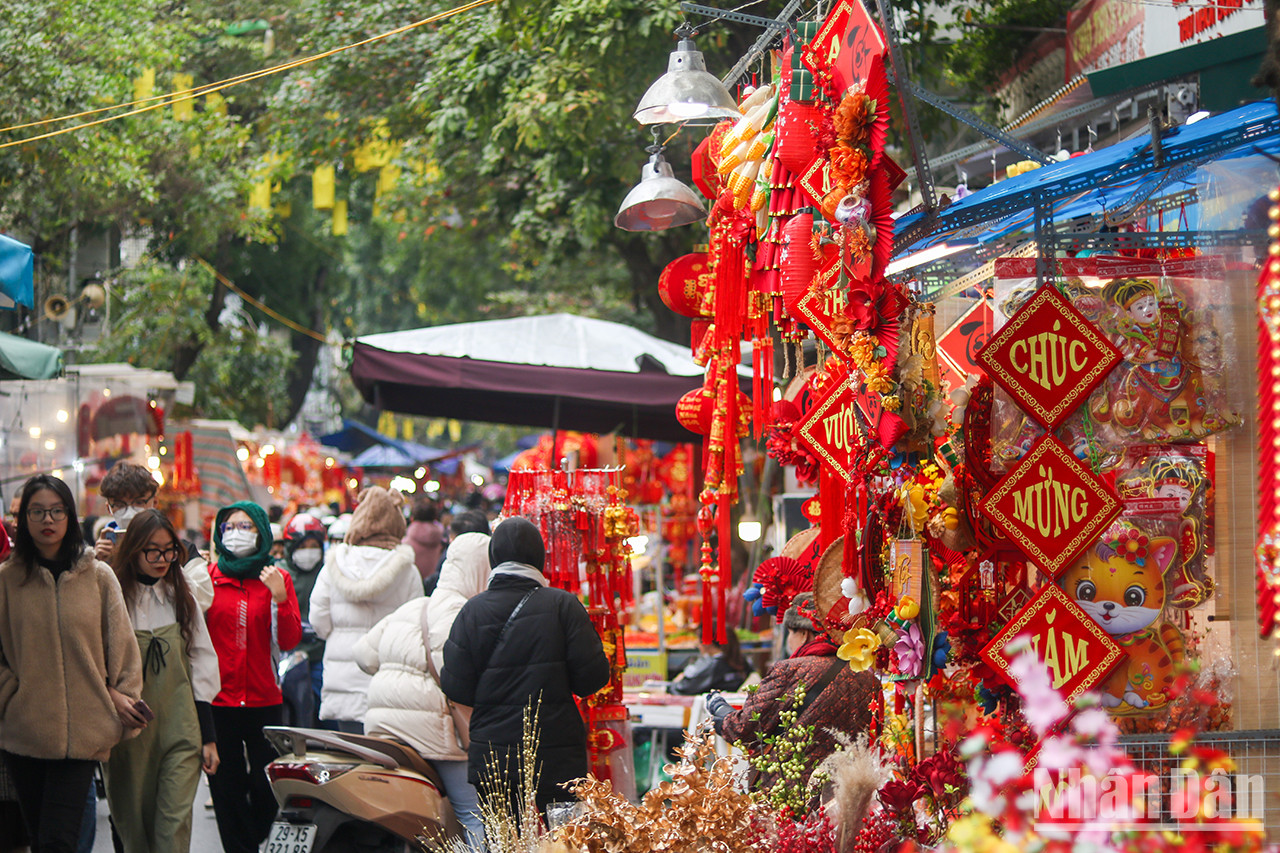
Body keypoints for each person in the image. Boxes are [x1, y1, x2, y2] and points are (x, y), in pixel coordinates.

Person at [0, 474, 144, 853]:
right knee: (39, 837)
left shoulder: (98, 576)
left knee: (58, 841)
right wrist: (9, 696)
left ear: (70, 516)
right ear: (23, 520)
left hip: (85, 732)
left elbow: (123, 650)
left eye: (56, 511)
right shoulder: (7, 580)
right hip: (25, 731)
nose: (47, 520)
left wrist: (118, 701)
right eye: (37, 512)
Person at [442, 517, 610, 821]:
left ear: (493, 557)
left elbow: (456, 688)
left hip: (494, 757)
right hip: (557, 756)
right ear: (539, 556)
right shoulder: (564, 605)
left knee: (504, 842)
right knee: (562, 841)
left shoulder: (471, 611)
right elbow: (593, 678)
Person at [354, 531, 491, 848]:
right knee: (473, 813)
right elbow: (454, 674)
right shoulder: (460, 611)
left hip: (384, 731)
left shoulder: (412, 607)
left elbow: (363, 655)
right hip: (432, 735)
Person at [103, 510, 221, 853]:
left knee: (172, 831)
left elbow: (202, 661)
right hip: (126, 733)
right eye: (152, 551)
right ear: (133, 550)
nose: (163, 559)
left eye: (170, 551)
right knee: (133, 830)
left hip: (180, 729)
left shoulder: (180, 594)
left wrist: (208, 736)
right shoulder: (112, 596)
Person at [710, 593, 879, 806]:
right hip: (846, 797)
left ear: (804, 633)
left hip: (789, 792)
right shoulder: (867, 677)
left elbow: (744, 728)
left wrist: (721, 713)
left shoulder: (789, 669)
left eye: (790, 632)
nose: (789, 640)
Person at [204, 501, 302, 853]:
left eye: (246, 527)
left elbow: (289, 640)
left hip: (264, 699)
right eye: (229, 527)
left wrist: (280, 599)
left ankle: (250, 837)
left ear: (261, 532)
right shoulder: (209, 578)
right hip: (219, 701)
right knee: (225, 789)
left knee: (266, 788)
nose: (237, 534)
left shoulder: (278, 578)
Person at [310, 487, 420, 733]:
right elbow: (414, 630)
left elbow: (318, 621)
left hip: (342, 681)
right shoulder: (408, 572)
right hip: (387, 683)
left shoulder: (333, 566)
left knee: (348, 761)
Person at [94, 461, 213, 610]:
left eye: (138, 502)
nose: (129, 512)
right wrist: (99, 564)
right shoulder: (102, 557)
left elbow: (203, 598)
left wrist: (167, 561)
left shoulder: (183, 551)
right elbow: (92, 608)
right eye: (120, 505)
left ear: (155, 502)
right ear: (109, 508)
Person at [282, 514, 328, 726]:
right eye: (303, 546)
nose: (308, 551)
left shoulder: (328, 574)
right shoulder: (280, 575)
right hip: (288, 656)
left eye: (313, 545)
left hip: (321, 655)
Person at [669, 629, 752, 695]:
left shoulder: (712, 666)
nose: (697, 645)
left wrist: (676, 682)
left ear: (707, 642)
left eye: (699, 641)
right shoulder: (741, 660)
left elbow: (684, 689)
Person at [404, 500, 444, 591]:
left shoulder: (405, 544)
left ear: (412, 518)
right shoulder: (442, 543)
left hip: (412, 590)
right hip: (436, 589)